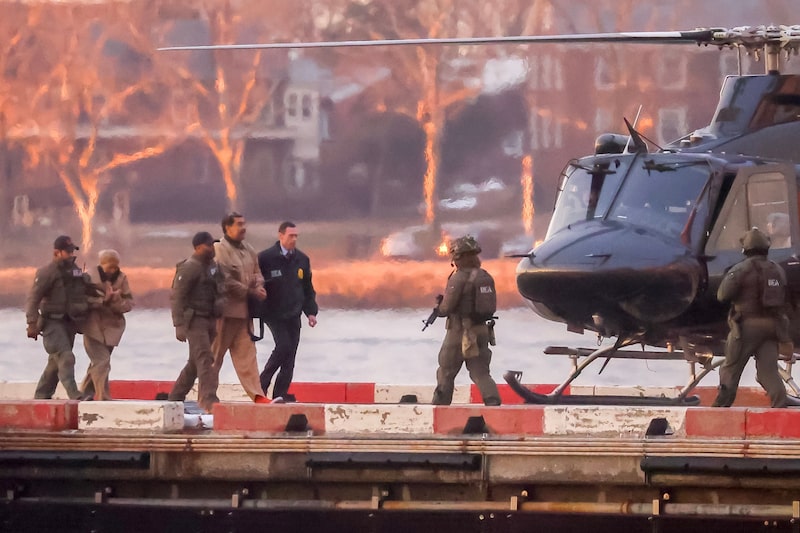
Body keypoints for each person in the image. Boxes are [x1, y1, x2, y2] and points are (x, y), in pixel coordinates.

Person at [713, 227, 792, 408]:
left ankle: (720, 409)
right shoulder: (777, 270)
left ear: (745, 249)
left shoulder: (740, 270)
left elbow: (722, 295)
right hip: (772, 328)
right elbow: (785, 299)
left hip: (746, 328)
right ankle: (780, 407)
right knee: (768, 372)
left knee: (730, 369)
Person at [431, 235, 501, 406]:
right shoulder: (485, 276)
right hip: (482, 331)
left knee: (446, 371)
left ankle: (439, 408)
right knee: (481, 372)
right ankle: (493, 404)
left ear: (458, 256)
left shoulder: (458, 278)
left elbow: (447, 308)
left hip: (459, 332)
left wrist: (438, 310)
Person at [25, 235, 95, 400]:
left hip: (70, 322)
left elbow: (86, 287)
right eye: (67, 251)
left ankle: (42, 396)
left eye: (72, 251)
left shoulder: (75, 270)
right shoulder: (46, 272)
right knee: (66, 356)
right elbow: (33, 299)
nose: (71, 254)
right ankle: (74, 395)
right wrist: (31, 323)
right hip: (51, 322)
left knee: (56, 363)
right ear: (57, 252)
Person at [256, 221, 318, 402]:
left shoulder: (302, 260)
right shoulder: (266, 258)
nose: (294, 239)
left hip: (294, 313)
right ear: (280, 235)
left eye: (296, 236)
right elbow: (256, 283)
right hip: (273, 313)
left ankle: (280, 394)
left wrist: (311, 312)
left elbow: (307, 288)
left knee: (291, 355)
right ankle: (261, 384)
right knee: (283, 347)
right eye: (290, 236)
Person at [211, 212, 270, 403]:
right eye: (239, 224)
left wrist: (259, 285)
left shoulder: (248, 249)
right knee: (214, 358)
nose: (243, 227)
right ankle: (208, 397)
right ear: (227, 227)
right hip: (224, 314)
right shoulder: (220, 249)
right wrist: (250, 291)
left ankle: (258, 397)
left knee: (248, 359)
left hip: (244, 315)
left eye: (244, 223)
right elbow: (226, 280)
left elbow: (258, 273)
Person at [168, 232, 225, 412]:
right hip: (194, 321)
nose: (212, 249)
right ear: (199, 247)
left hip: (209, 319)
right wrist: (179, 325)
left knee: (195, 361)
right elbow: (177, 297)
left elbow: (219, 287)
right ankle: (209, 400)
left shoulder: (213, 267)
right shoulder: (189, 267)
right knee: (205, 359)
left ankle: (175, 397)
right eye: (209, 245)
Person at [79, 249, 134, 400]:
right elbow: (82, 301)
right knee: (102, 361)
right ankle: (103, 397)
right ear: (102, 264)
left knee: (98, 363)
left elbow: (129, 303)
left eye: (115, 267)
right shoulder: (89, 277)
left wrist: (116, 300)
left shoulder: (122, 279)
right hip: (93, 327)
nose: (113, 270)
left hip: (112, 329)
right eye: (110, 266)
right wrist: (102, 300)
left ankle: (84, 393)